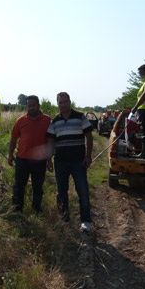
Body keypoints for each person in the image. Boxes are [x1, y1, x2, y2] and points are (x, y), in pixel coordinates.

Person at [47, 92, 93, 232]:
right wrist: (49, 160)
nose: (63, 104)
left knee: (83, 191)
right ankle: (64, 219)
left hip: (78, 161)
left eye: (65, 101)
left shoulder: (80, 117)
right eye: (60, 102)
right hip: (60, 162)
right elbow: (50, 142)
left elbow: (89, 137)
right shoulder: (54, 121)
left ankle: (85, 221)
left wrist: (88, 156)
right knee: (61, 192)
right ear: (57, 104)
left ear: (70, 102)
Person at [8, 95, 52, 213]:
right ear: (26, 106)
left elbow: (50, 142)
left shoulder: (47, 120)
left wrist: (49, 160)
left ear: (38, 106)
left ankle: (36, 209)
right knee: (19, 186)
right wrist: (10, 155)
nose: (31, 108)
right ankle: (17, 209)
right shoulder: (21, 120)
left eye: (33, 105)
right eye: (29, 106)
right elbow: (13, 138)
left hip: (40, 161)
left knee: (37, 187)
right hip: (22, 159)